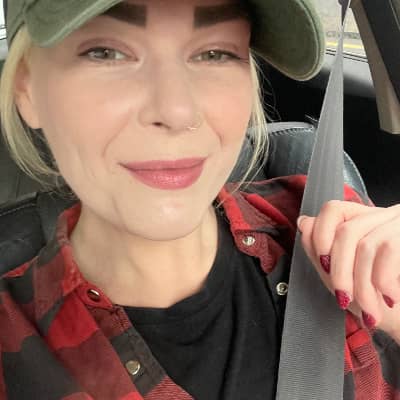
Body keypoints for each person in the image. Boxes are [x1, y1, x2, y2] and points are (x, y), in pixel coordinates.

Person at [0, 0, 399, 399]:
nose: (178, 111)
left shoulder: (336, 230)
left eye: (215, 53)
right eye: (106, 52)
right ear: (26, 88)